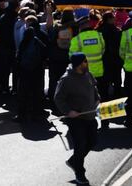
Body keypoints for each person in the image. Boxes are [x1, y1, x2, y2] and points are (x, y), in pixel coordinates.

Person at [54, 52, 100, 186]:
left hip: (90, 116)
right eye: (86, 61)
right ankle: (80, 173)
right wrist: (68, 111)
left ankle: (74, 161)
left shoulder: (88, 75)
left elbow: (94, 90)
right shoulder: (66, 80)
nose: (88, 63)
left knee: (92, 142)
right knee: (80, 145)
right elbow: (58, 98)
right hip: (76, 119)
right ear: (79, 64)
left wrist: (97, 100)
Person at [16, 15, 48, 122]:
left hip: (25, 68)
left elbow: (20, 51)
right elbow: (46, 51)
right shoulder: (42, 34)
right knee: (37, 90)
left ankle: (22, 114)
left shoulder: (27, 34)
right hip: (38, 68)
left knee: (23, 91)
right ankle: (37, 112)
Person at [69, 14, 106, 100]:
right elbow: (103, 50)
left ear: (80, 26)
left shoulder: (77, 39)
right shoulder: (99, 35)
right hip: (99, 71)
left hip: (84, 73)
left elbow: (72, 57)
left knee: (87, 98)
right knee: (100, 95)